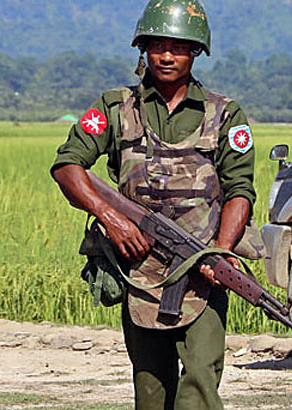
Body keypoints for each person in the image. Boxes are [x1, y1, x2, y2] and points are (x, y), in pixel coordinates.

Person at [51, 1, 260, 409]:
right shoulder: (115, 108)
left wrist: (218, 253)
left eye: (179, 47)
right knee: (150, 392)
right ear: (142, 49)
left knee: (200, 381)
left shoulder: (225, 115)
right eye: (157, 45)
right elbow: (67, 167)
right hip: (140, 273)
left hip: (203, 272)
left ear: (196, 52)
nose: (166, 55)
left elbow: (240, 191)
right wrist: (111, 218)